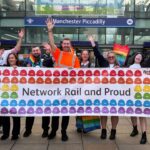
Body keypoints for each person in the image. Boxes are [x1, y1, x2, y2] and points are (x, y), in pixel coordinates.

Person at [46, 18, 80, 141]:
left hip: (68, 89)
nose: (65, 45)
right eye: (64, 43)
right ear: (62, 45)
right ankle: (53, 131)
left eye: (67, 43)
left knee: (65, 112)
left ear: (70, 45)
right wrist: (50, 31)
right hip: (56, 88)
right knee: (55, 111)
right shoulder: (58, 53)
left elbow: (78, 74)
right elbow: (51, 43)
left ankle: (64, 131)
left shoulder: (75, 58)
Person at [88, 35, 119, 140]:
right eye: (109, 57)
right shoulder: (103, 63)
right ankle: (104, 130)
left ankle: (113, 131)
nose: (110, 58)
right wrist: (93, 42)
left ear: (115, 58)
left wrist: (119, 71)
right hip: (104, 93)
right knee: (104, 112)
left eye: (112, 57)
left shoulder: (120, 67)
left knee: (115, 113)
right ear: (107, 58)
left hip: (116, 94)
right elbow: (97, 53)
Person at [23, 47, 52, 138]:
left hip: (44, 91)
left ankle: (45, 130)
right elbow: (21, 71)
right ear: (32, 52)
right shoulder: (27, 60)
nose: (36, 52)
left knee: (45, 112)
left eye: (37, 50)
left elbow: (53, 68)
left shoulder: (45, 59)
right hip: (31, 91)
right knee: (30, 112)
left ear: (40, 51)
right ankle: (28, 130)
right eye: (34, 51)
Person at [1, 53, 20, 140]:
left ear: (16, 59)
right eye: (9, 58)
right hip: (5, 96)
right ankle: (5, 133)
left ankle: (15, 134)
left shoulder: (21, 68)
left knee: (16, 116)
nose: (11, 59)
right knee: (5, 116)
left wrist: (17, 69)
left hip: (16, 96)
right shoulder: (4, 67)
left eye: (12, 58)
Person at [129, 52, 147, 144]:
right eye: (137, 55)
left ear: (142, 59)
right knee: (133, 113)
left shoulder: (145, 68)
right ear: (134, 57)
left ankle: (144, 134)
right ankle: (135, 128)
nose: (138, 57)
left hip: (142, 94)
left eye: (140, 56)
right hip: (131, 94)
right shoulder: (129, 67)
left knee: (142, 114)